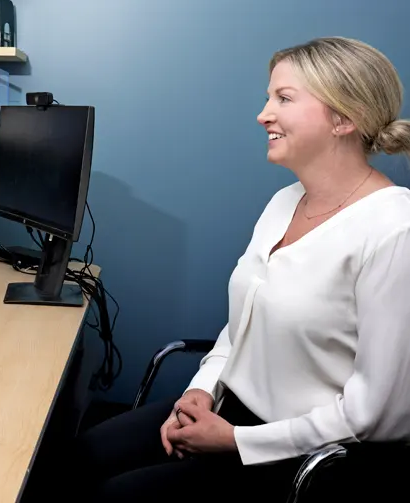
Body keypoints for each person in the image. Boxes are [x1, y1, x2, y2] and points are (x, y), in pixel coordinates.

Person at [72, 37, 410, 501]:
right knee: (82, 455)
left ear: (344, 119)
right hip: (228, 409)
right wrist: (201, 390)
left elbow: (378, 413)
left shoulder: (394, 230)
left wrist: (235, 442)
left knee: (113, 495)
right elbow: (244, 320)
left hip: (299, 456)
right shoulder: (285, 201)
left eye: (284, 99)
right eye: (269, 97)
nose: (263, 113)